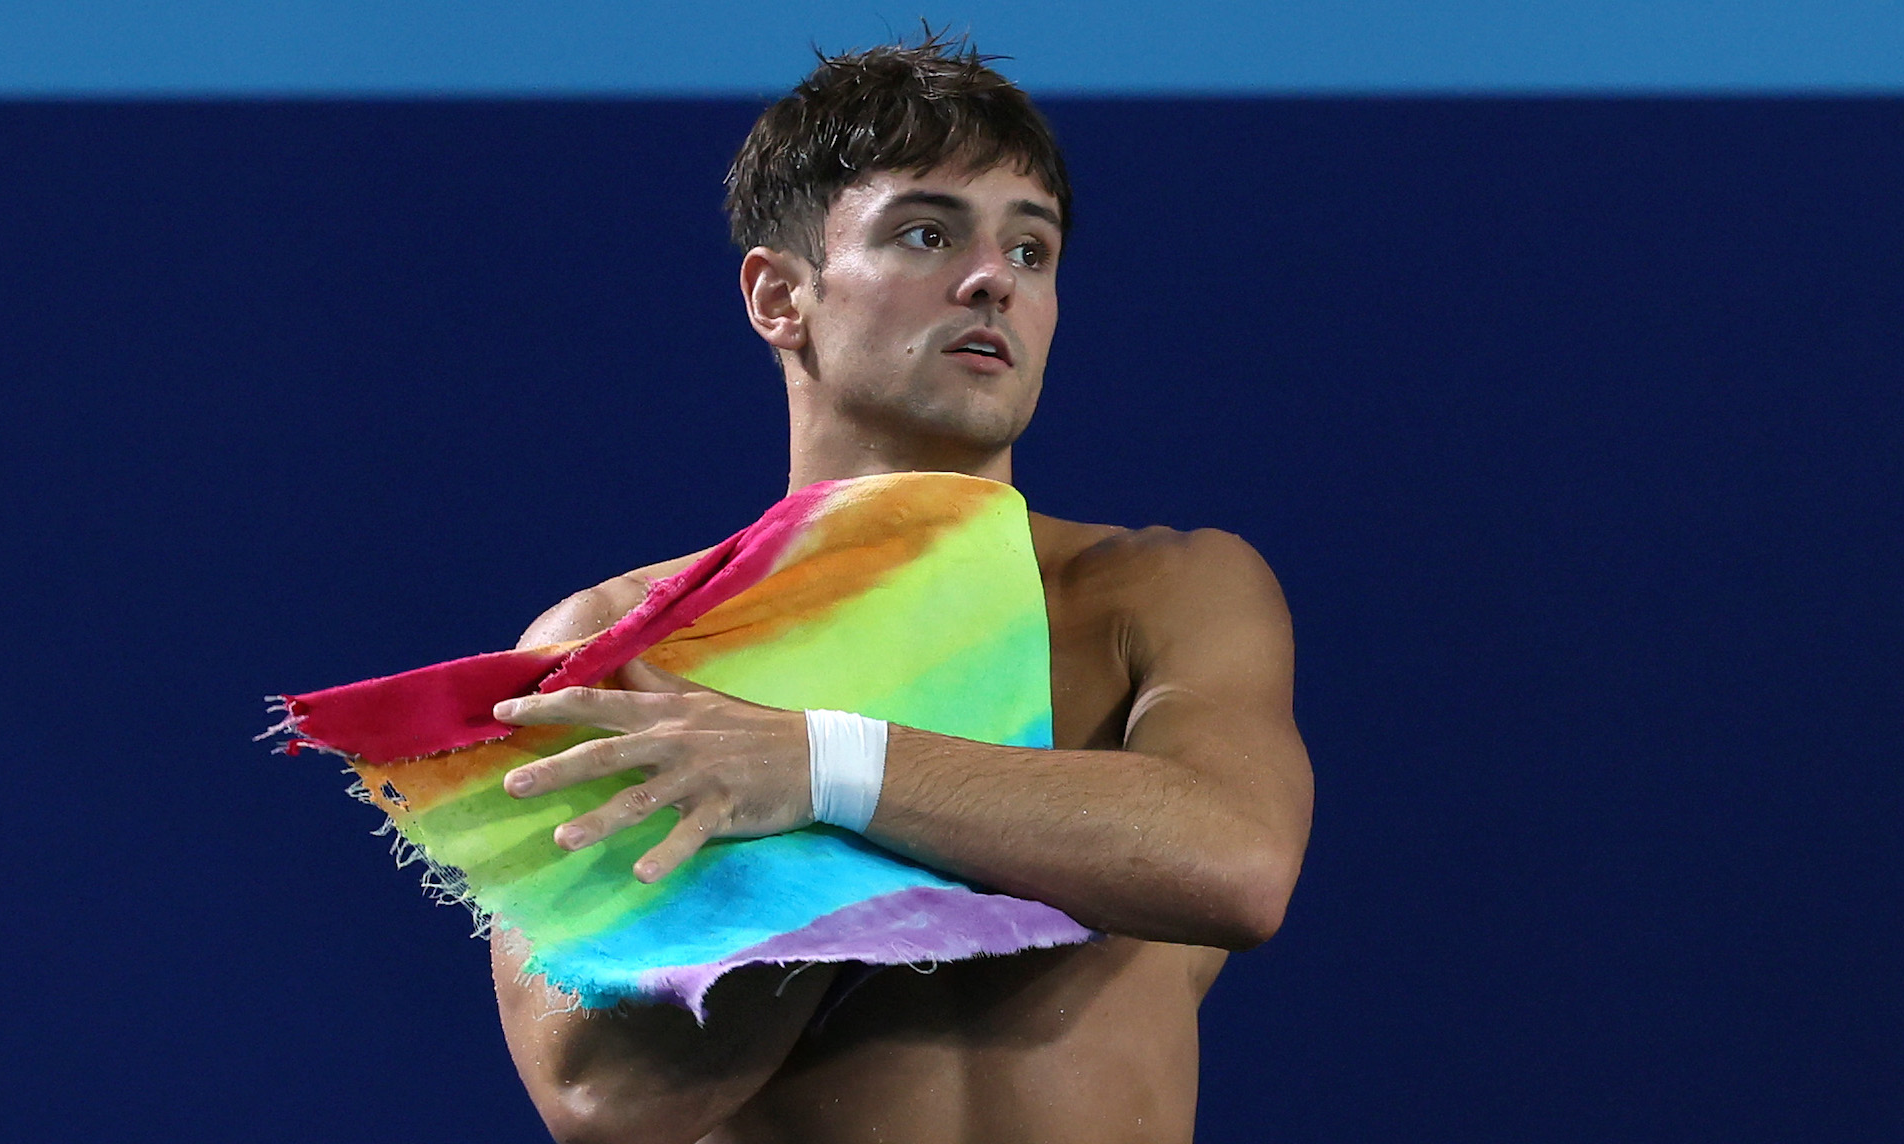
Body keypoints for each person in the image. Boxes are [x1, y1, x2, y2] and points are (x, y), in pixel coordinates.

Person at [486, 34, 1313, 1144]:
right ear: (780, 297)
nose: (991, 279)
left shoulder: (1161, 591)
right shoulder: (615, 651)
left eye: (1032, 249)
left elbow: (1235, 861)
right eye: (927, 234)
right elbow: (600, 1098)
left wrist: (819, 767)